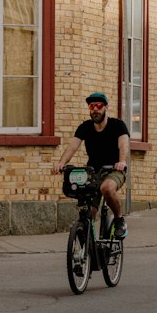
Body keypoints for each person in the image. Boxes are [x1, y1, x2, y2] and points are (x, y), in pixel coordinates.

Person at [55, 90, 130, 238]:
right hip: (93, 173)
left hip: (113, 170)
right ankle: (86, 244)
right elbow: (72, 147)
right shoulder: (85, 127)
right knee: (88, 213)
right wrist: (61, 163)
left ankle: (119, 219)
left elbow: (123, 145)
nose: (95, 109)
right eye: (91, 106)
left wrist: (121, 161)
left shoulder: (118, 125)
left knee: (107, 188)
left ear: (106, 107)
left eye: (98, 105)